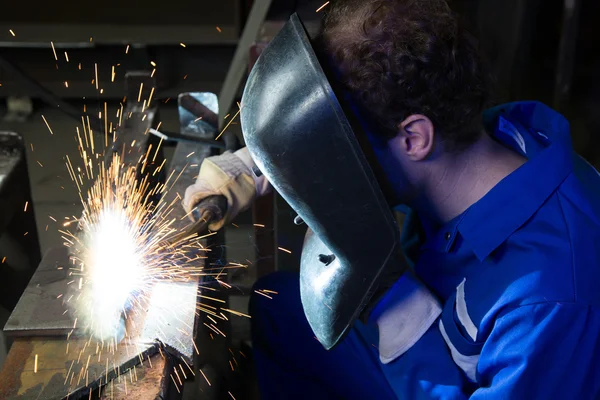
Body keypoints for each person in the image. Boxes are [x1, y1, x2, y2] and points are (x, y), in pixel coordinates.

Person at [183, 0, 600, 398]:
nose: (336, 151)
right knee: (281, 310)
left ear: (414, 137)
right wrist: (264, 158)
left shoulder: (548, 300)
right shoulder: (480, 144)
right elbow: (357, 122)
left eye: (341, 141)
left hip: (448, 377)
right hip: (433, 318)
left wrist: (397, 315)